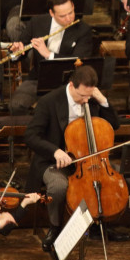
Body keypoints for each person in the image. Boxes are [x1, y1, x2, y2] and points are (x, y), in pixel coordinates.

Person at [23, 65, 121, 250]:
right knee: (59, 186)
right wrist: (55, 151)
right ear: (71, 85)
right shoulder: (49, 101)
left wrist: (103, 100)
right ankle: (55, 228)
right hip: (53, 161)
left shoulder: (92, 99)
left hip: (88, 161)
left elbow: (114, 125)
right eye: (82, 96)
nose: (85, 100)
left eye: (89, 96)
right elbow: (31, 136)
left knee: (114, 178)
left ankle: (99, 224)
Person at [7, 0, 95, 114]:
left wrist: (48, 54)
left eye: (71, 13)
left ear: (73, 6)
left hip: (68, 83)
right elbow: (19, 50)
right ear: (52, 13)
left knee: (59, 109)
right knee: (16, 105)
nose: (69, 18)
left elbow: (78, 62)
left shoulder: (83, 30)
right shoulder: (37, 22)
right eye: (62, 16)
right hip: (38, 80)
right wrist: (15, 52)